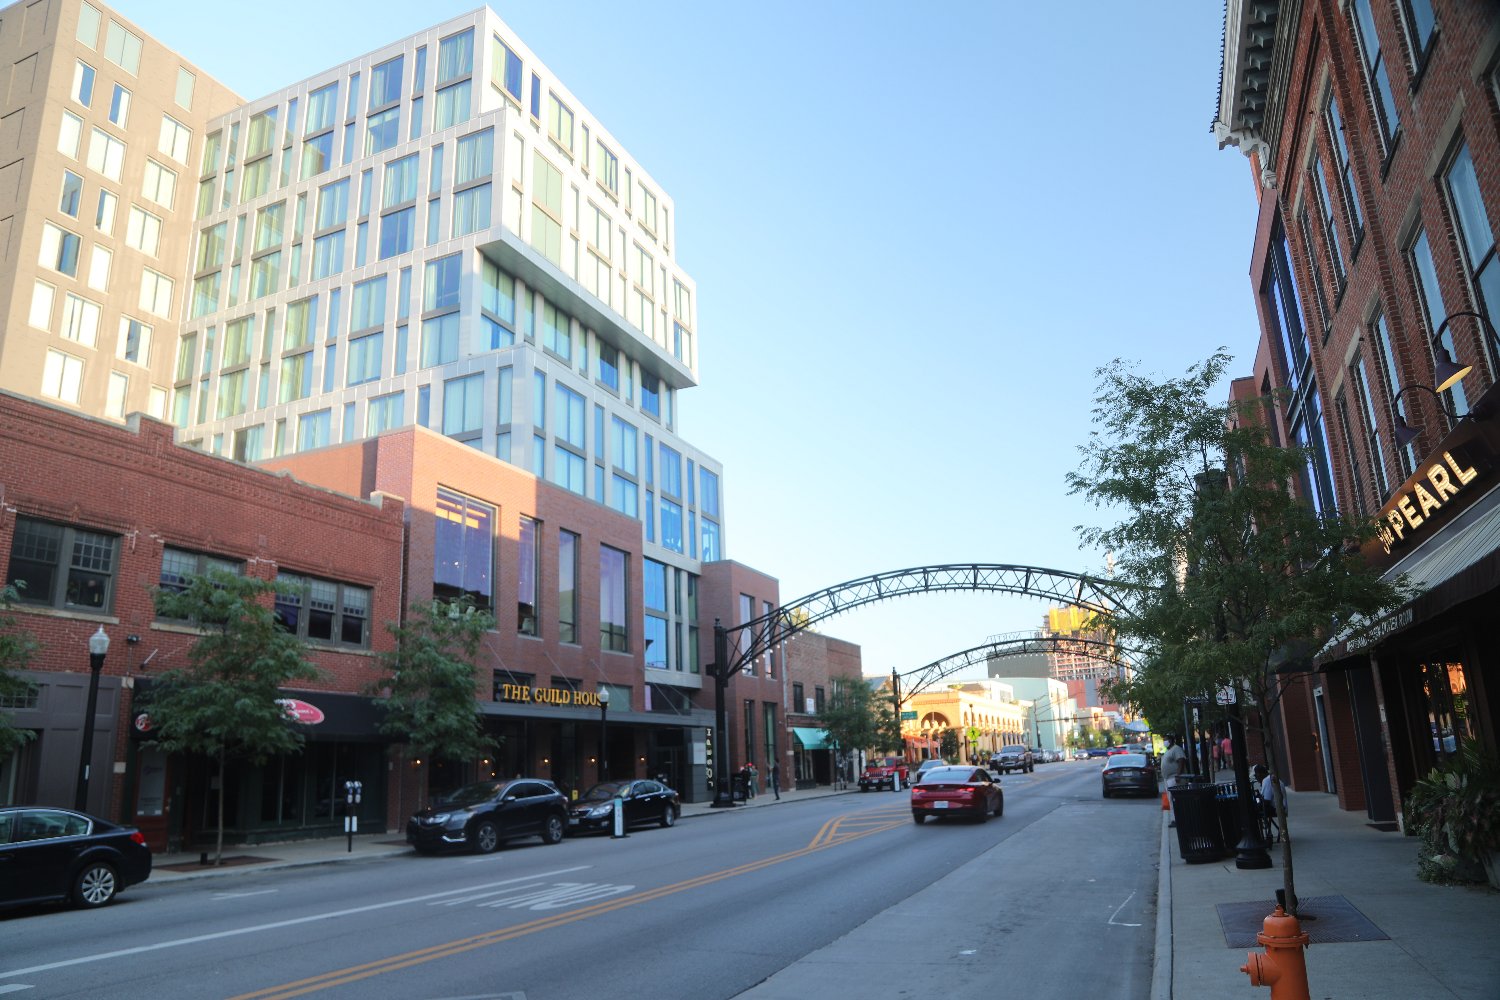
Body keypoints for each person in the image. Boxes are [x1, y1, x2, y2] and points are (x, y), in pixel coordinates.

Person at [1160, 735, 1187, 828]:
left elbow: (1181, 760)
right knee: (1171, 800)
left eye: (1166, 739)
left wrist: (1178, 775)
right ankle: (1174, 819)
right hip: (1168, 779)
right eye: (1164, 740)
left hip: (1174, 778)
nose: (1164, 741)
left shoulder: (1176, 749)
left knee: (1175, 799)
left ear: (1171, 740)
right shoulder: (1168, 751)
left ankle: (1178, 819)